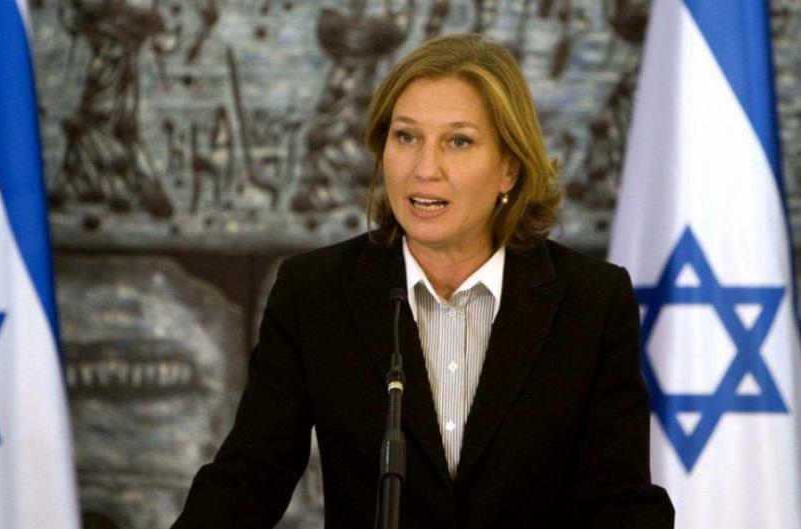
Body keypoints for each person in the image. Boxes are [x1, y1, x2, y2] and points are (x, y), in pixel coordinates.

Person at [172, 33, 674, 528]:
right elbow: (250, 478)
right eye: (406, 137)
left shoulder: (590, 301)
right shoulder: (315, 293)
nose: (424, 168)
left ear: (509, 168)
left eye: (459, 141)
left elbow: (621, 500)